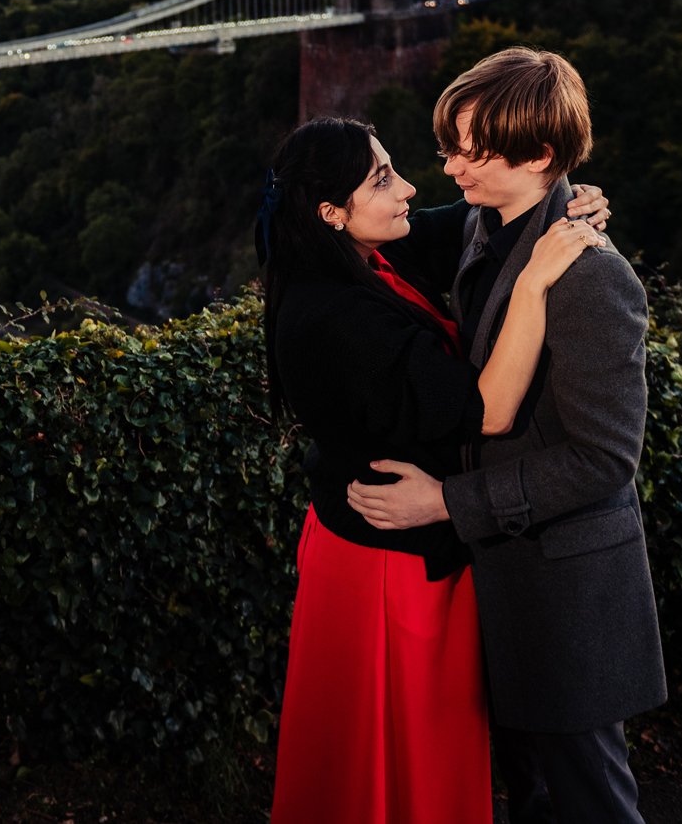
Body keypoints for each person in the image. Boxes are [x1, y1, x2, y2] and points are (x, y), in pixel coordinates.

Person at [260, 116, 609, 824]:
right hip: (389, 566)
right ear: (331, 211)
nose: (409, 186)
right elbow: (486, 410)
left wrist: (565, 199)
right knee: (397, 761)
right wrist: (538, 280)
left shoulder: (359, 251)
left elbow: (473, 216)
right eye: (383, 178)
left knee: (406, 756)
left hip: (400, 549)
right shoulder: (330, 315)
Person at [352, 47, 668, 824]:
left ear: (540, 155)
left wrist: (448, 504)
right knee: (531, 800)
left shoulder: (592, 274)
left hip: (566, 595)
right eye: (451, 144)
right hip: (502, 582)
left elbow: (604, 459)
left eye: (472, 149)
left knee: (589, 800)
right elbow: (331, 234)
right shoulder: (480, 226)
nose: (451, 167)